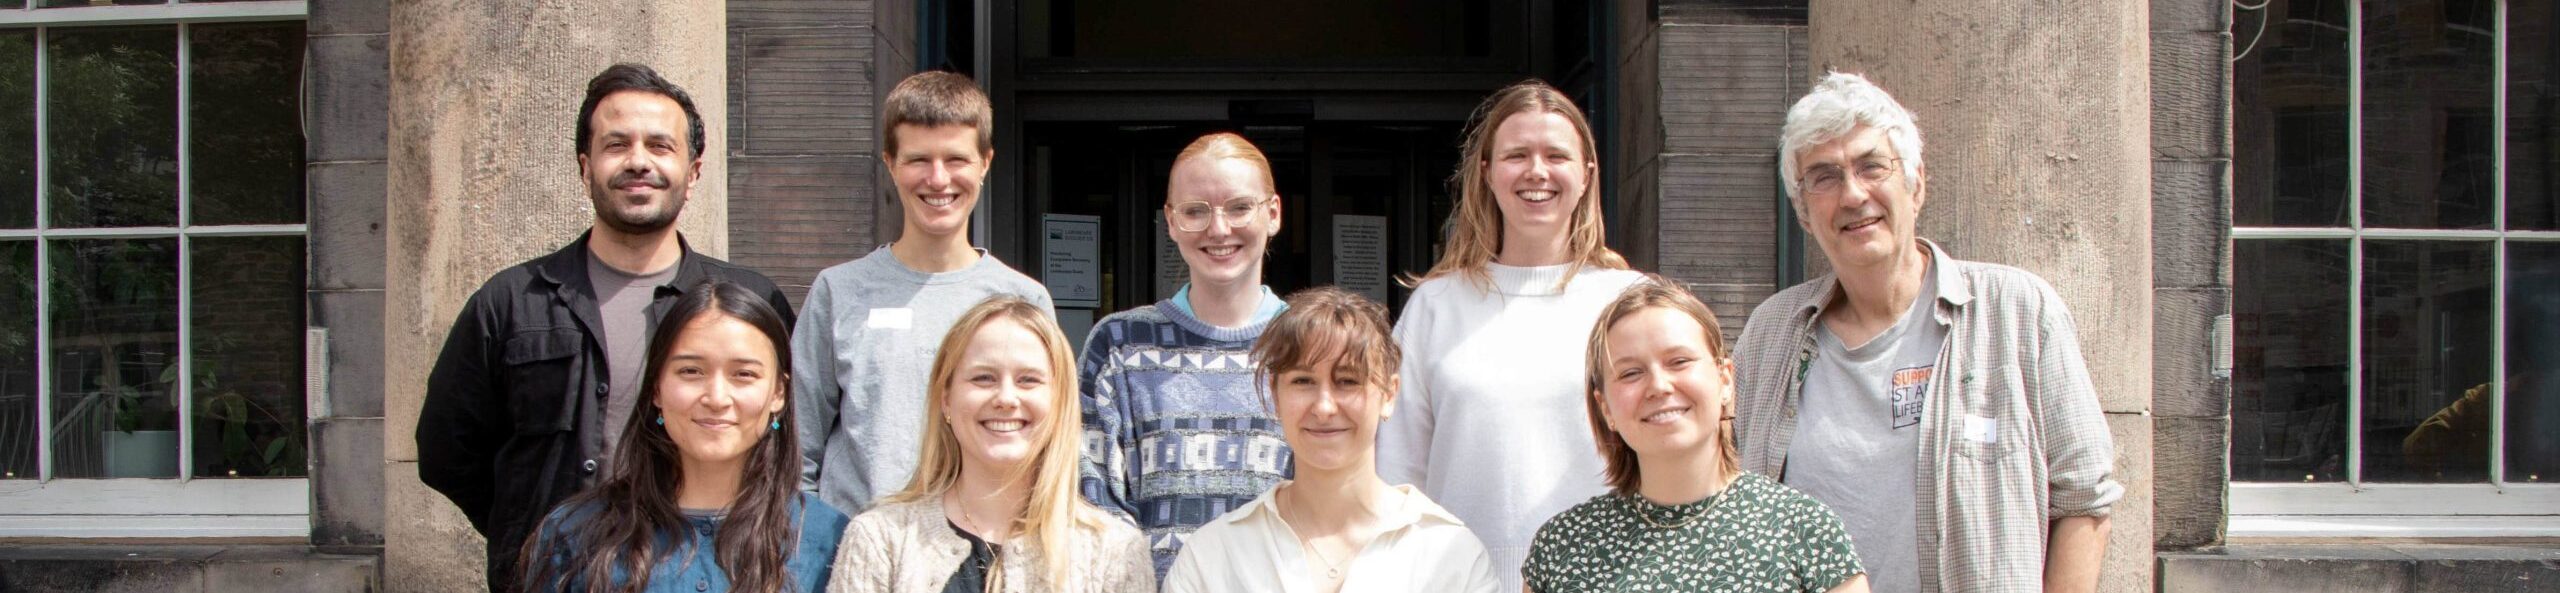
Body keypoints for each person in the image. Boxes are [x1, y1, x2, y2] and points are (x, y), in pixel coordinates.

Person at [1733, 71, 2120, 593]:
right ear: (1804, 212)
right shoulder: (1771, 332)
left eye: (1872, 166)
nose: (1852, 194)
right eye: (1823, 177)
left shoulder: (2017, 311)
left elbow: (2083, 502)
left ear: (1915, 184)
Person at [416, 63, 795, 591]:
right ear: (585, 165)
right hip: (553, 575)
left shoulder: (750, 302)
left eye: (660, 146)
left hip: (709, 571)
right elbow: (447, 453)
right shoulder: (511, 302)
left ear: (694, 170)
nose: (639, 161)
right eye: (617, 145)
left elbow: (782, 443)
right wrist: (531, 529)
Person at [1375, 79, 1644, 593]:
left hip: (1610, 579)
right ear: (1487, 173)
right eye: (1517, 155)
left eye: (1556, 155)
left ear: (1587, 175)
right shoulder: (1436, 306)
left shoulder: (1628, 303)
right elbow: (1398, 474)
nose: (1536, 171)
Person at [796, 71, 1056, 516]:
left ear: (985, 163)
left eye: (956, 159)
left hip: (982, 555)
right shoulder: (838, 292)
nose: (938, 180)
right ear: (890, 163)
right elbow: (797, 449)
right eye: (919, 160)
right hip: (854, 554)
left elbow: (1048, 443)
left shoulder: (1023, 298)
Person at [1524, 279, 1867, 593]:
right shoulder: (1562, 546)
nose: (1658, 386)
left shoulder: (1807, 531)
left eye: (1679, 361)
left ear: (1726, 380)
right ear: (1606, 408)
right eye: (1631, 373)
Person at [519, 280, 847, 593]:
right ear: (657, 388)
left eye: (744, 374)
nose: (717, 398)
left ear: (778, 393)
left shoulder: (828, 537)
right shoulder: (576, 532)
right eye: (691, 371)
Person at [1166, 286, 1499, 593]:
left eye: (1348, 381)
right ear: (1275, 394)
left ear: (1389, 394)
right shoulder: (1213, 557)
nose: (1324, 407)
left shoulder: (1450, 555)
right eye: (1303, 381)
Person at [1076, 131, 1294, 577]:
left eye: (1238, 207)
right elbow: (1092, 509)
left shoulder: (1310, 346)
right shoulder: (1119, 347)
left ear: (1272, 214)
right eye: (1196, 211)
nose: (1219, 229)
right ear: (1171, 222)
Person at [827, 296, 1152, 593]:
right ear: (946, 400)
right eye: (983, 378)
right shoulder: (880, 541)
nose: (1006, 398)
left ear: (1059, 403)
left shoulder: (1115, 552)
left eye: (1028, 380)